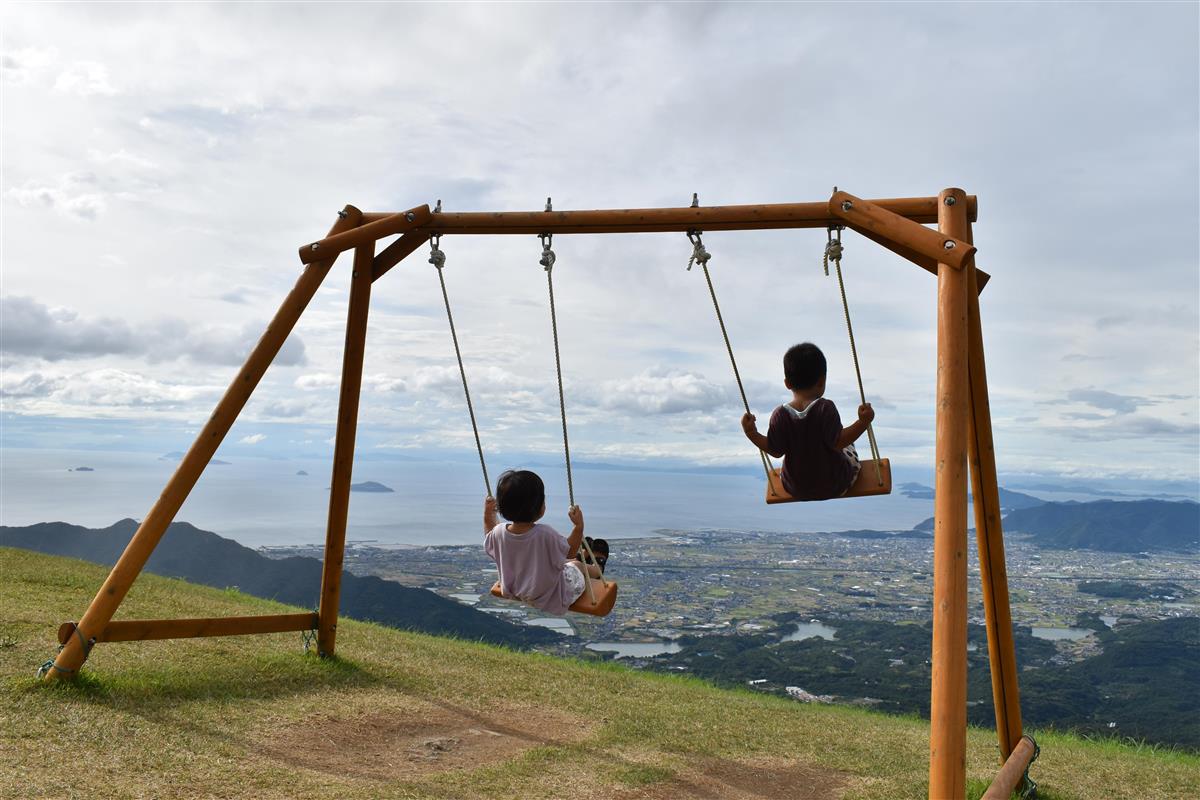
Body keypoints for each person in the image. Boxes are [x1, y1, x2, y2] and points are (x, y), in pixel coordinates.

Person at [740, 342, 875, 500]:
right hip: (834, 485)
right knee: (848, 447)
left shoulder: (780, 415)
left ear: (787, 383)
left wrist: (751, 433)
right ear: (822, 381)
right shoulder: (825, 408)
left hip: (795, 488)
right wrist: (863, 422)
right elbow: (839, 442)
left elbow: (775, 451)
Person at [483, 469, 604, 615]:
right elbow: (570, 552)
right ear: (540, 508)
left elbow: (489, 535)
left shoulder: (499, 532)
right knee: (575, 564)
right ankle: (596, 569)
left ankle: (583, 562)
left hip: (515, 590)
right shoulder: (544, 534)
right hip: (554, 595)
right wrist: (578, 527)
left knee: (559, 562)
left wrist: (487, 513)